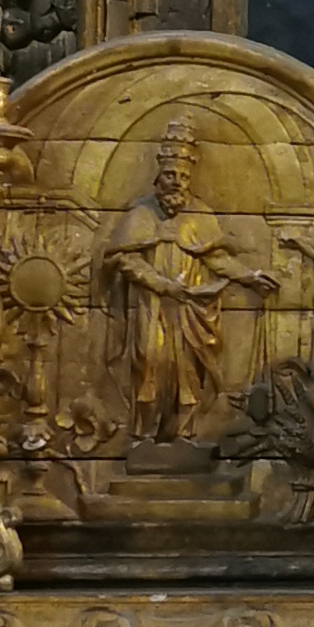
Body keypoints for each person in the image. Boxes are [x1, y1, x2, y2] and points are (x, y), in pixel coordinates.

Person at [97, 123, 275, 445]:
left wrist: (250, 277)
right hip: (151, 307)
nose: (177, 182)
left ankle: (185, 436)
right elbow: (124, 258)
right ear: (158, 176)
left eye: (183, 176)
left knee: (189, 372)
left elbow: (217, 259)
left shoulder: (201, 214)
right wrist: (162, 284)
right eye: (170, 175)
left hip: (191, 310)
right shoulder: (140, 214)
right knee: (149, 363)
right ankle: (145, 435)